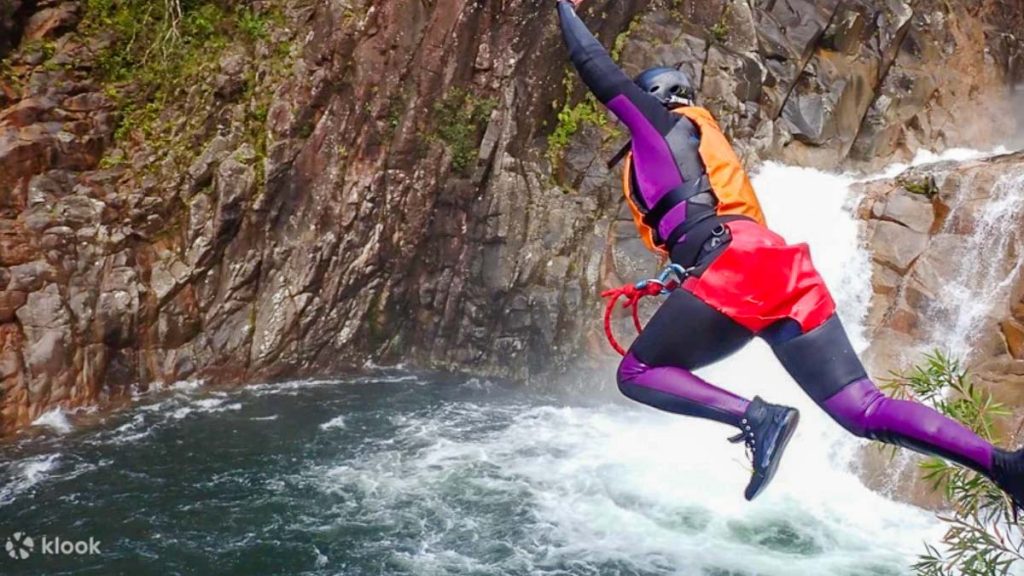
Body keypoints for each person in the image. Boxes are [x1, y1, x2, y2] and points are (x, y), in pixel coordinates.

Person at [555, 0, 1024, 503]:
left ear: (654, 97)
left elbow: (594, 65)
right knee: (862, 409)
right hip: (775, 267)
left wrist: (562, 8)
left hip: (732, 268)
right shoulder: (699, 139)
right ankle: (1003, 467)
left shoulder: (661, 128)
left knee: (638, 372)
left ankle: (759, 416)